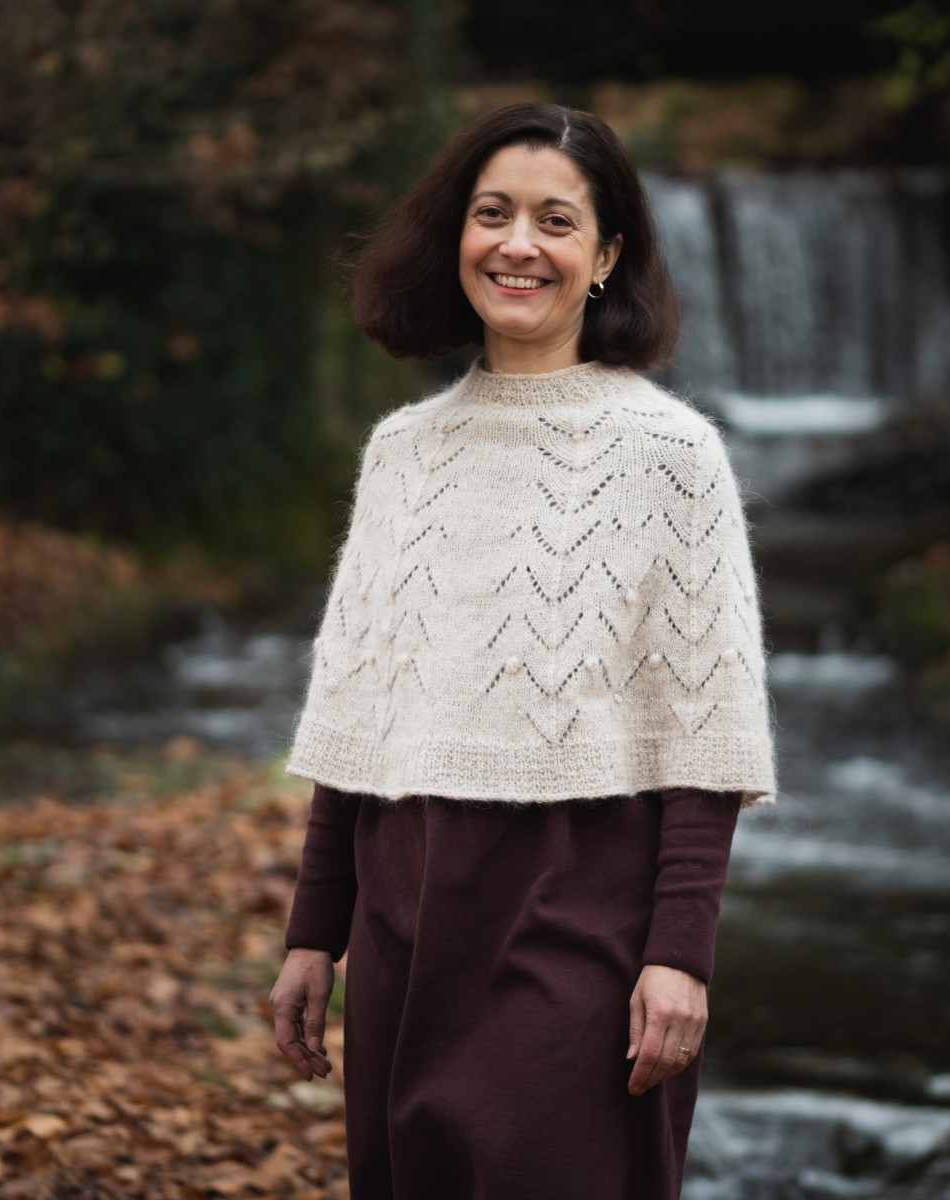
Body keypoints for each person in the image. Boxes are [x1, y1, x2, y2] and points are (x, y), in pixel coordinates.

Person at [269, 102, 777, 1200]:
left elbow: (708, 731)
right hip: (405, 925)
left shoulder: (672, 457)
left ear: (604, 257)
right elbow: (358, 719)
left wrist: (681, 953)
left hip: (579, 925)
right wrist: (317, 932)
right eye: (492, 213)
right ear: (456, 237)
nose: (517, 245)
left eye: (556, 221)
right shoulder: (403, 455)